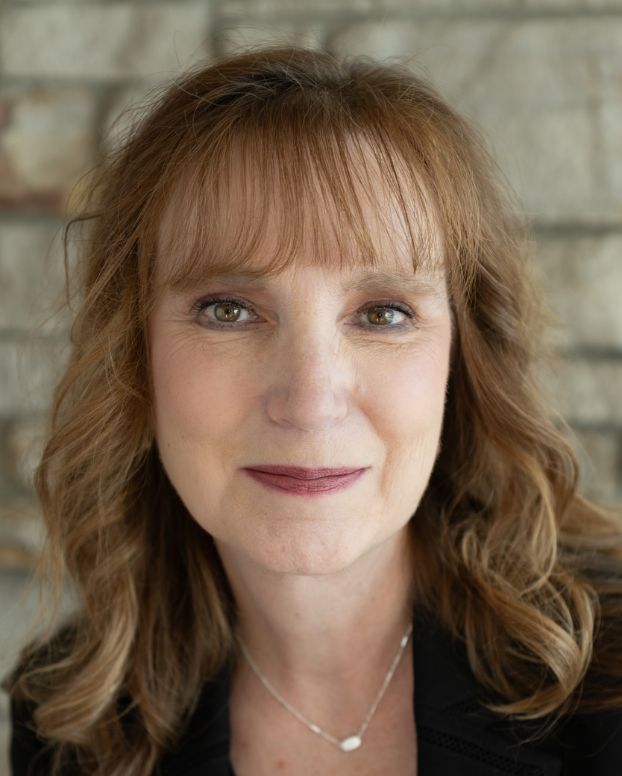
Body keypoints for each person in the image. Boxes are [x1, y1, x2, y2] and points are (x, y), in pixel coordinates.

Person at [3, 44, 622, 776]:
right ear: (133, 352)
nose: (309, 401)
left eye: (382, 313)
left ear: (462, 356)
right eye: (228, 309)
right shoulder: (74, 722)